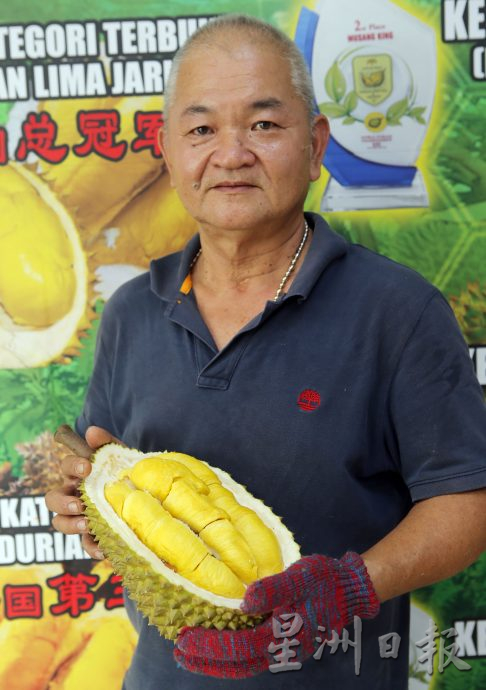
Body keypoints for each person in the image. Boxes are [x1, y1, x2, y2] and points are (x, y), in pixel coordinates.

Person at [45, 13, 486, 690]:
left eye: (263, 124)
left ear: (315, 146)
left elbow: (467, 503)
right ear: (169, 152)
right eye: (201, 129)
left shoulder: (398, 311)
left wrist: (351, 587)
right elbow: (106, 463)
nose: (230, 154)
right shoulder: (132, 310)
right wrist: (80, 495)